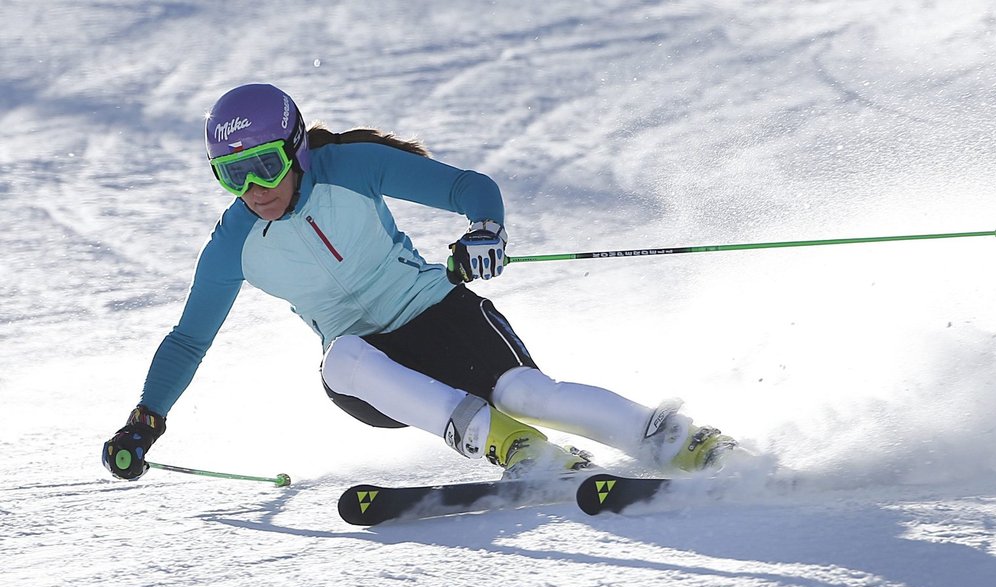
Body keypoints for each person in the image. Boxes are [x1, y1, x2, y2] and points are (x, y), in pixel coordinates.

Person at [102, 83, 736, 483]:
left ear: (295, 149)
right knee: (340, 356)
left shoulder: (349, 167)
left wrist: (487, 230)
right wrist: (145, 420)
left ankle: (677, 441)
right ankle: (510, 447)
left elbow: (469, 189)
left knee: (526, 391)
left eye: (265, 166)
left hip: (441, 314)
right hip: (375, 373)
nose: (255, 190)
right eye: (232, 176)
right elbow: (189, 341)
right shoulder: (232, 244)